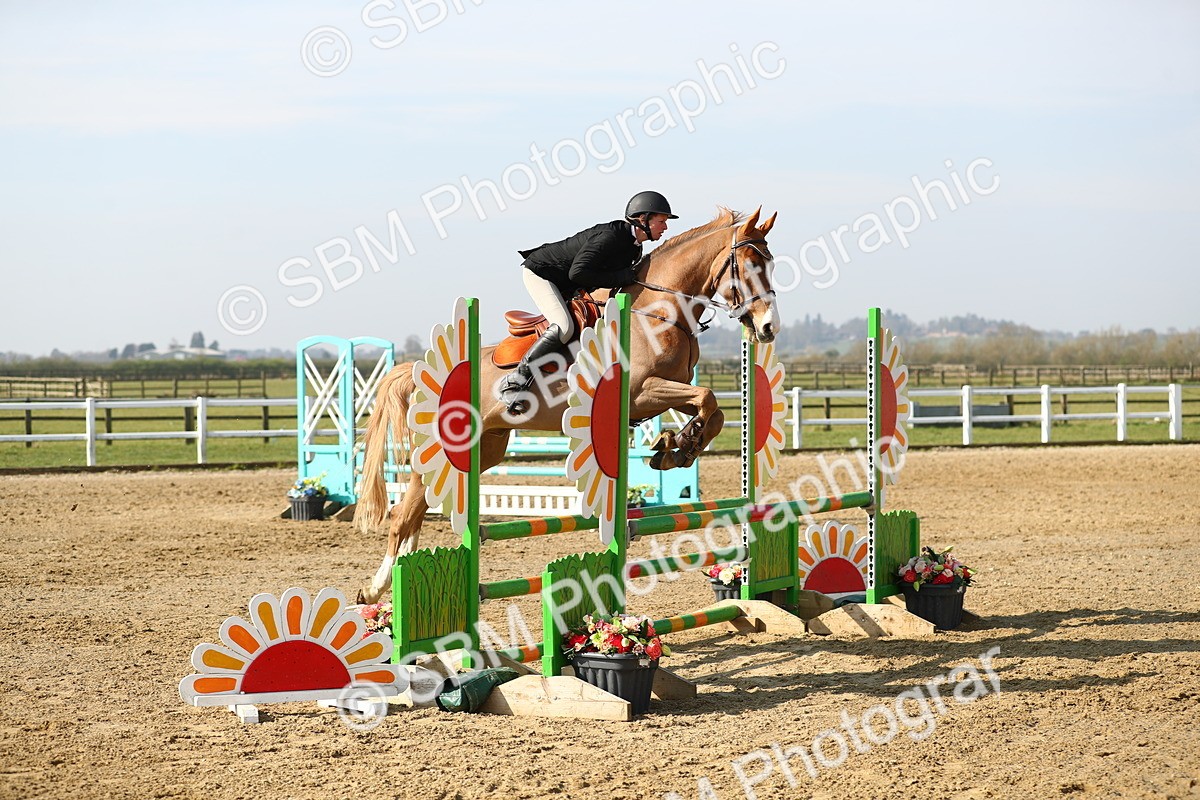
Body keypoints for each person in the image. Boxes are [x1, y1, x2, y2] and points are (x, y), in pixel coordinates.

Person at [499, 190, 678, 414]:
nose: (665, 227)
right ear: (643, 219)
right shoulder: (611, 237)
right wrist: (622, 277)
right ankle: (515, 380)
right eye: (661, 221)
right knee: (564, 327)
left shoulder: (634, 246)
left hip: (569, 282)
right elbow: (578, 273)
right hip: (542, 274)